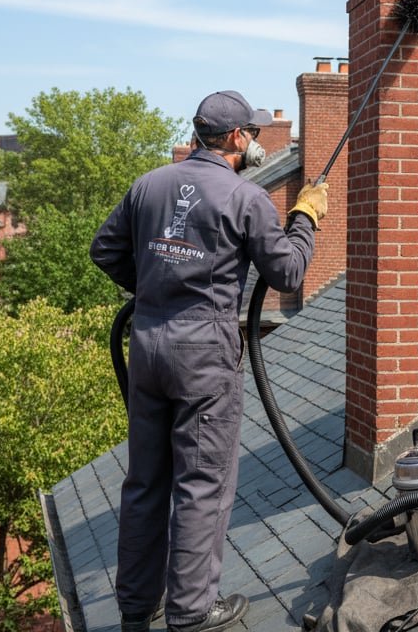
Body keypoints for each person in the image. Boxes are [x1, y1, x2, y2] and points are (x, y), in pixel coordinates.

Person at [91, 90, 328, 632]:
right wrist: (306, 217)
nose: (258, 142)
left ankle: (137, 608)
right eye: (254, 133)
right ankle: (191, 610)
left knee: (145, 481)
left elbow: (104, 251)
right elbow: (287, 273)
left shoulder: (149, 184)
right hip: (204, 354)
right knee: (202, 483)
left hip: (148, 345)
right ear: (238, 138)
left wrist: (154, 289)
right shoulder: (246, 197)